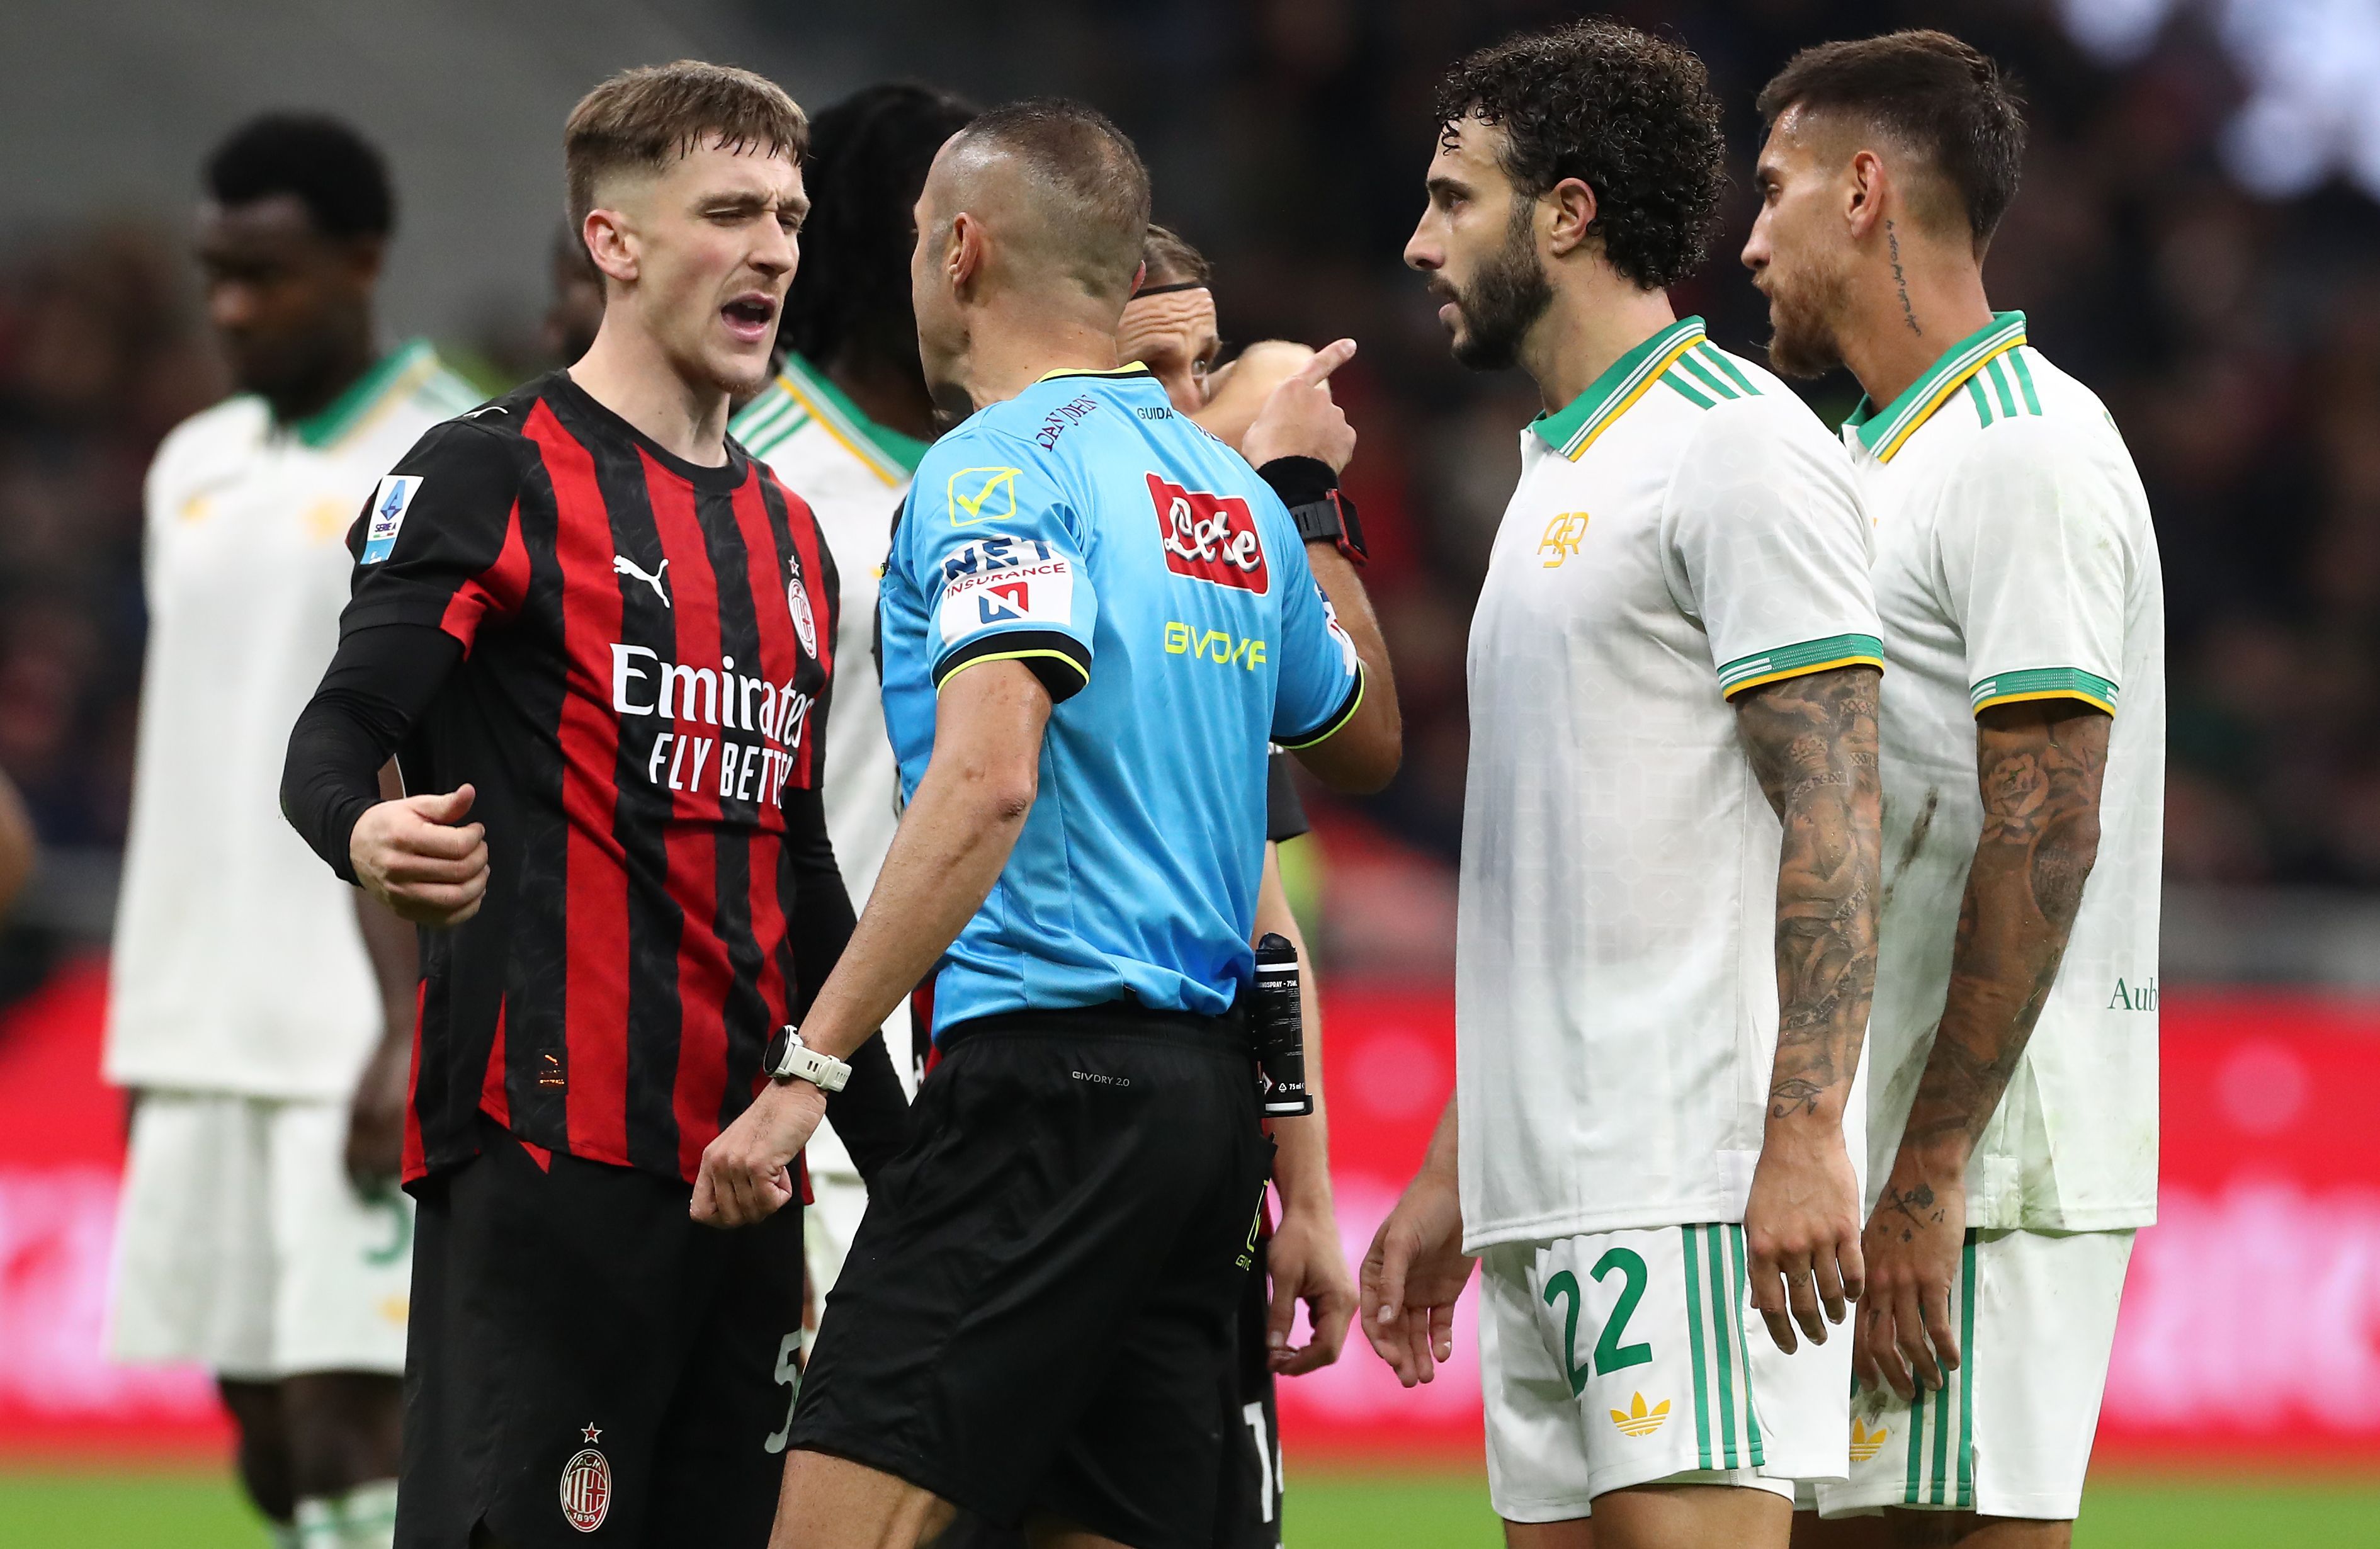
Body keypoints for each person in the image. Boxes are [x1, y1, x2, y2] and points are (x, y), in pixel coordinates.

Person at [689, 99, 1399, 1549]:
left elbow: (988, 779)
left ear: (959, 252)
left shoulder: (994, 468)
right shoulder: (1230, 496)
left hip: (1037, 1090)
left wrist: (810, 1067)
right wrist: (1306, 497)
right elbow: (1363, 737)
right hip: (1202, 1126)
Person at [279, 62, 909, 1549]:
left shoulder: (795, 542)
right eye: (731, 213)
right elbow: (336, 732)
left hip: (745, 1180)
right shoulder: (486, 476)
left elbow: (797, 865)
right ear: (614, 243)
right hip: (548, 1166)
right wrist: (362, 834)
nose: (773, 251)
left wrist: (902, 1162)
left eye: (793, 219)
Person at [1359, 23, 1886, 1549]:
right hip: (1552, 1198)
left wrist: (1801, 1136)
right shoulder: (1559, 480)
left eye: (1456, 198)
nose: (1419, 240)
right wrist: (1466, 1171)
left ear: (1569, 214)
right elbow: (1561, 889)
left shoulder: (1733, 452)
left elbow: (1839, 815)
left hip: (1686, 1185)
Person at [1742, 32, 2164, 1545]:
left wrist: (1927, 1177)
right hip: (1896, 1147)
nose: (1749, 236)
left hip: (1981, 1164)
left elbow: (2050, 824)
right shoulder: (1866, 460)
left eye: (1775, 189)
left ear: (1867, 194)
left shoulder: (2023, 451)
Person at [939, 225, 1361, 1549]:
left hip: (1180, 1160)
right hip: (994, 1131)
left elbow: (1268, 927)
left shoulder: (1214, 616)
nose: (1182, 405)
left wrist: (1312, 1192)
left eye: (1204, 369)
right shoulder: (995, 526)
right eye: (1153, 371)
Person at [103, 113, 478, 1549]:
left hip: (349, 1014)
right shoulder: (189, 462)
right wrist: (150, 1028)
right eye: (214, 274)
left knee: (359, 1415)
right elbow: (194, 732)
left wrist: (411, 1020)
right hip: (195, 1012)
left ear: (362, 261)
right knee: (265, 1439)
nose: (230, 308)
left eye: (264, 273)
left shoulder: (445, 448)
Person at [728, 79, 978, 1331]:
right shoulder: (741, 465)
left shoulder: (1027, 468)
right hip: (787, 1080)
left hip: (983, 1084)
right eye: (957, 207)